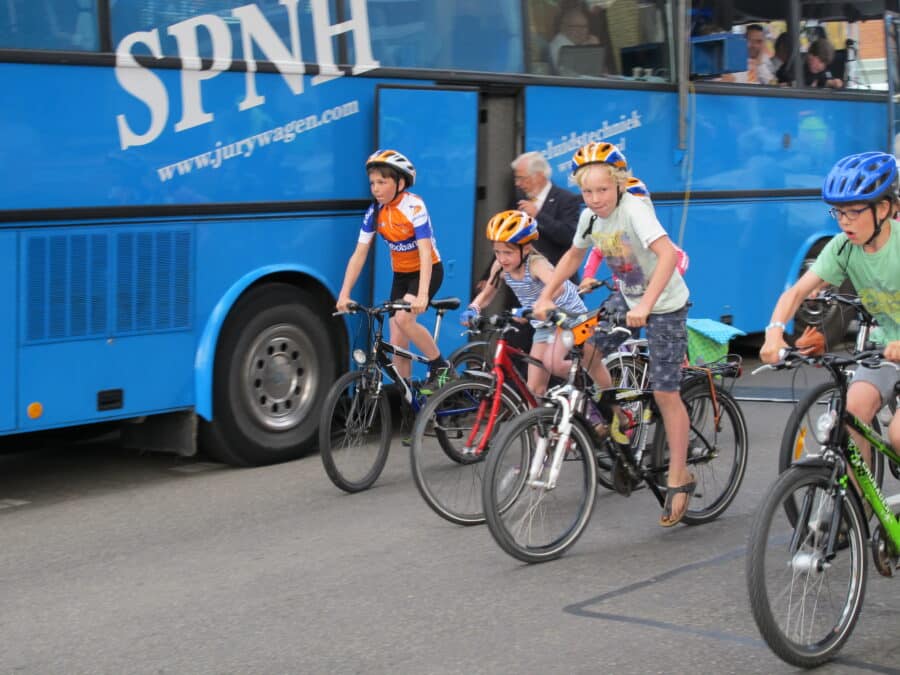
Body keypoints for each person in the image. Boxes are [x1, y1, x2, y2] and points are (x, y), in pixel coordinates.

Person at [533, 141, 694, 527]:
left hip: (665, 303)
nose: (595, 198)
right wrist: (545, 294)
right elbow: (573, 255)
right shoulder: (590, 218)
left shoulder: (634, 210)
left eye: (602, 190)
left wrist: (645, 306)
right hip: (629, 299)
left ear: (619, 184)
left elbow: (668, 255)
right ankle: (618, 414)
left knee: (664, 391)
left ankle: (679, 472)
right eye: (587, 192)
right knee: (582, 346)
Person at [760, 151, 900, 470]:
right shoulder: (842, 247)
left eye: (853, 211)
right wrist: (774, 333)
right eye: (838, 212)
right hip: (885, 351)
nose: (844, 220)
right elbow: (795, 292)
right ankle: (859, 507)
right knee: (848, 418)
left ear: (884, 209)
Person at [461, 210, 616, 408]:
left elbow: (557, 286)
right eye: (497, 252)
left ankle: (593, 379)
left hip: (568, 318)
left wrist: (535, 306)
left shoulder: (536, 264)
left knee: (555, 364)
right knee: (534, 388)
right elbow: (489, 292)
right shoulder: (500, 267)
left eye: (507, 252)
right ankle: (540, 434)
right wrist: (474, 308)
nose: (502, 258)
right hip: (543, 325)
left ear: (525, 249)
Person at [336, 149, 451, 392]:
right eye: (372, 183)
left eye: (382, 182)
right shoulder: (375, 212)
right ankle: (411, 408)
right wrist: (344, 293)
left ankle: (440, 365)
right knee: (398, 346)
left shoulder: (414, 206)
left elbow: (424, 252)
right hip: (401, 276)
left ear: (400, 183)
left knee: (403, 319)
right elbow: (359, 254)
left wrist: (421, 296)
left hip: (427, 270)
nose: (375, 188)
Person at [548, 2, 601, 73]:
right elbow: (575, 74)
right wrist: (591, 50)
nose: (581, 31)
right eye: (576, 27)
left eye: (584, 27)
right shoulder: (560, 46)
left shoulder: (576, 43)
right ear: (563, 28)